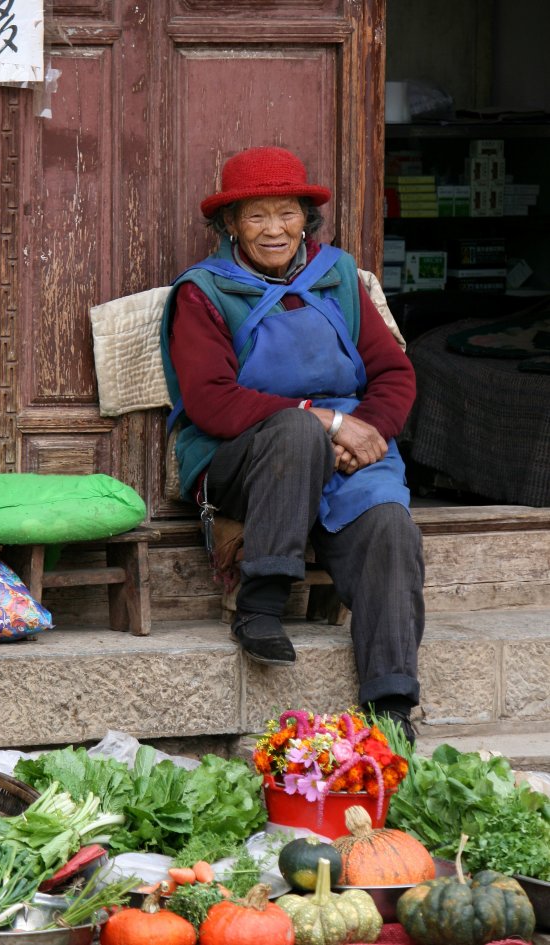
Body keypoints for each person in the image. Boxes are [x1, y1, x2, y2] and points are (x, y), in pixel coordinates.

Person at [160, 146, 424, 742]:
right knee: (298, 430)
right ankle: (262, 603)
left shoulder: (340, 280)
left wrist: (369, 432)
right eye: (255, 216)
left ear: (306, 218)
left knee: (390, 525)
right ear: (230, 226)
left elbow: (394, 374)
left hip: (349, 451)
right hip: (245, 457)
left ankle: (391, 703)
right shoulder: (204, 294)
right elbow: (212, 402)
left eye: (287, 213)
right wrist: (329, 424)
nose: (274, 229)